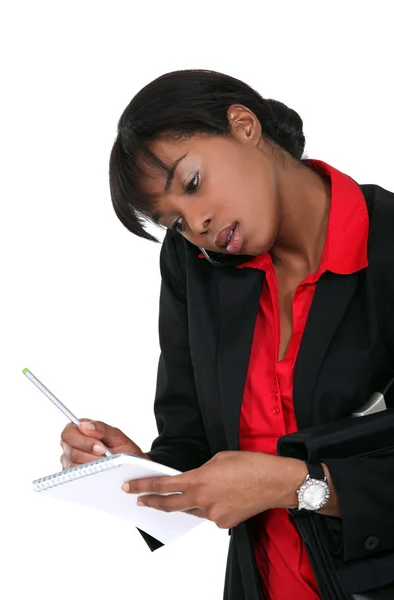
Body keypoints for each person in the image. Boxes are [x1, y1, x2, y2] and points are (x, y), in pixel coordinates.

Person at [60, 69, 394, 600]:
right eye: (172, 221)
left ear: (244, 125)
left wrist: (292, 486)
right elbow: (194, 449)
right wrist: (140, 475)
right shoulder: (195, 265)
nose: (198, 223)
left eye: (192, 183)